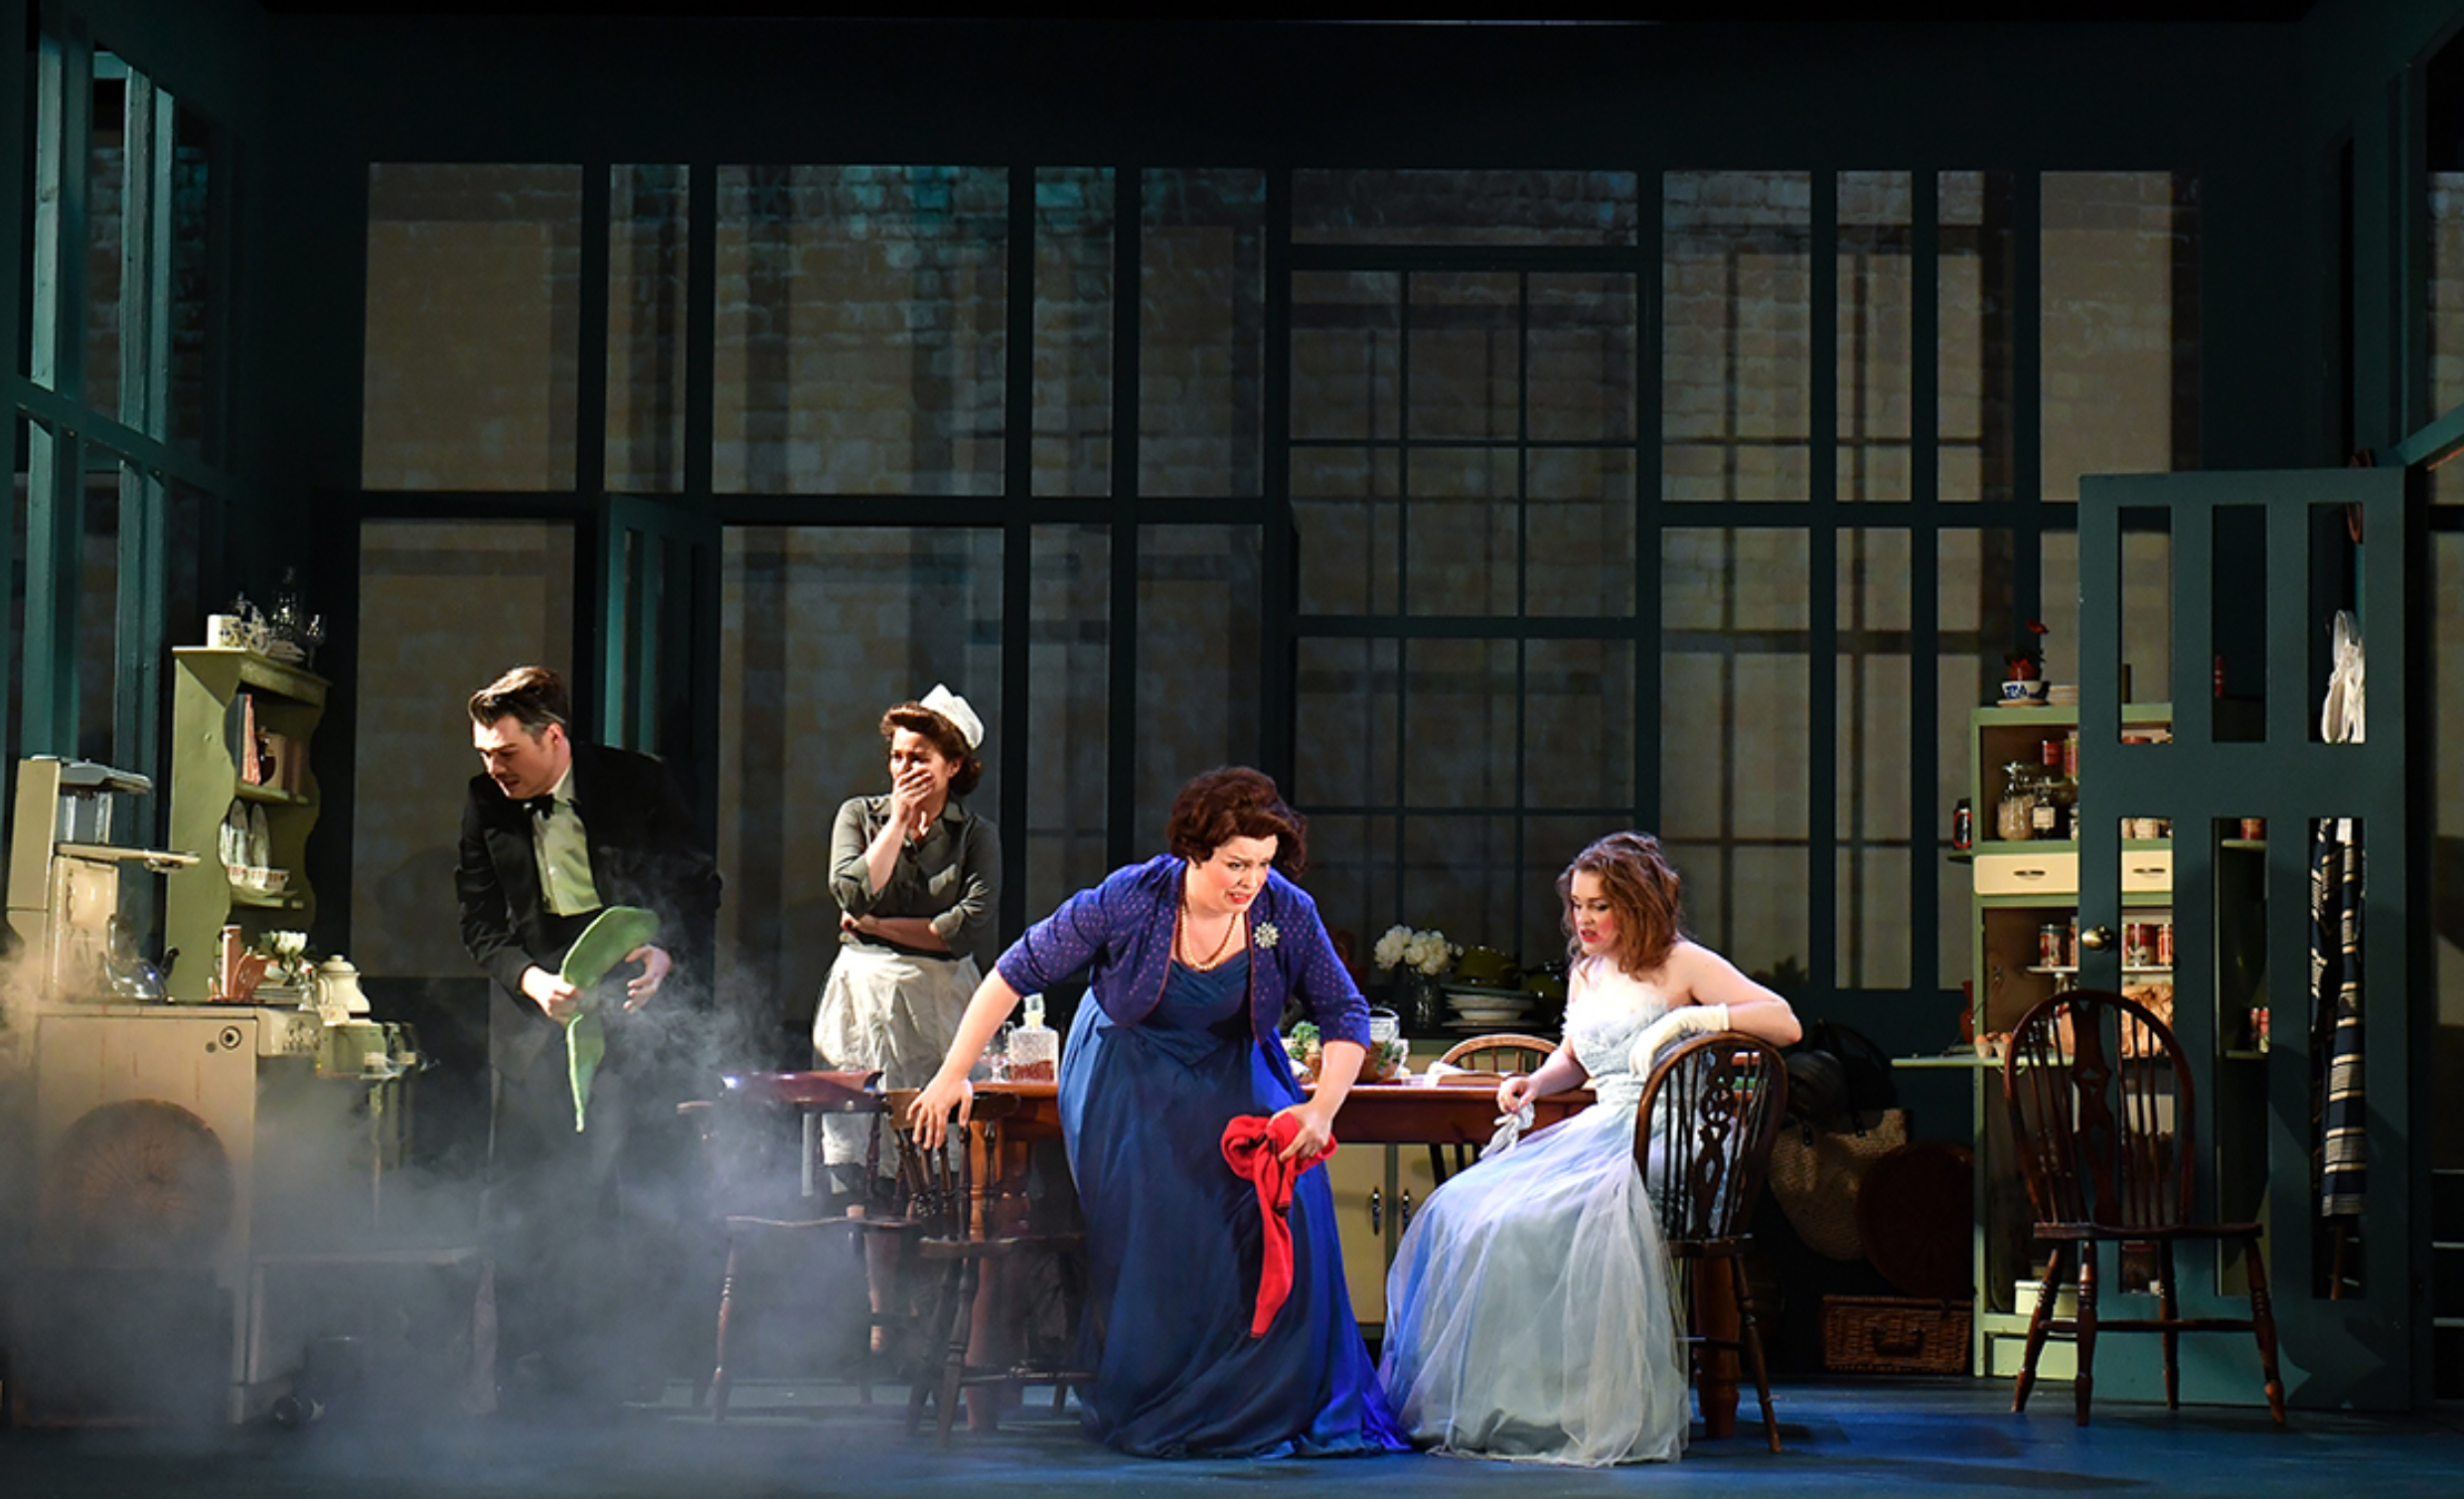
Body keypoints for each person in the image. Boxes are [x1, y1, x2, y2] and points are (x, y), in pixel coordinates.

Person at [906, 767, 1406, 1459]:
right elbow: (1018, 969)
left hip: (1232, 1056)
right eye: (1235, 863)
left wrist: (1320, 1109)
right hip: (1129, 1057)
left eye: (1262, 864)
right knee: (1165, 1195)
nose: (1249, 880)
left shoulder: (1281, 910)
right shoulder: (1133, 897)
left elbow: (1345, 1011)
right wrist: (952, 1070)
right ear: (1194, 850)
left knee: (1291, 1187)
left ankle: (1263, 1395)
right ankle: (1161, 1390)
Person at [1377, 831, 1800, 1465]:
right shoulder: (1586, 971)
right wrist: (1534, 1082)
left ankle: (1573, 1406)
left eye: (1600, 906)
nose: (1585, 919)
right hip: (1603, 1125)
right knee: (1463, 1210)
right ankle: (1517, 1401)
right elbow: (1576, 1058)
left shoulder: (1682, 963)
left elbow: (1784, 1022)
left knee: (1539, 1218)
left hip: (1668, 1133)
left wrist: (1693, 1019)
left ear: (1637, 903)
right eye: (1578, 905)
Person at [455, 666, 721, 1412]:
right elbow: (479, 923)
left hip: (629, 1006)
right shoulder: (485, 802)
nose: (492, 767)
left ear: (553, 737)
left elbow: (699, 884)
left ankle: (627, 1367)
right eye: (483, 753)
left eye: (505, 752)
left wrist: (666, 948)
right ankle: (528, 1370)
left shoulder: (637, 783)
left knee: (626, 1188)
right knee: (529, 1198)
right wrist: (531, 983)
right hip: (536, 1012)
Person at [811, 685, 998, 1197]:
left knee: (943, 1156)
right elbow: (850, 890)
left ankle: (941, 1267)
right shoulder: (859, 816)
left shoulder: (974, 835)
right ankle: (868, 1274)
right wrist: (895, 822)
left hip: (941, 1001)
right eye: (897, 756)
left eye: (919, 757)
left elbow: (967, 929)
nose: (903, 768)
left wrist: (875, 926)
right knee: (863, 1153)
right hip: (865, 999)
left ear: (953, 766)